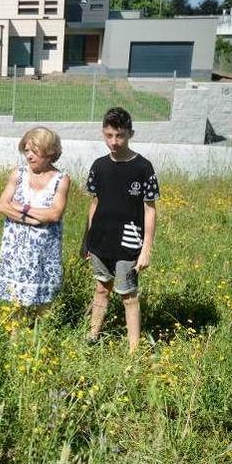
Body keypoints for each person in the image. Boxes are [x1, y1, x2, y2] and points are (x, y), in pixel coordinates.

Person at [85, 107, 160, 352]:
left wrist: (146, 249)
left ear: (130, 134)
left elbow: (150, 209)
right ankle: (92, 337)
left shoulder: (143, 168)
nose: (114, 142)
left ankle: (134, 351)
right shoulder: (98, 166)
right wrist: (86, 241)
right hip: (100, 241)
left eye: (119, 136)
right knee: (100, 288)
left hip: (129, 243)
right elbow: (94, 203)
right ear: (102, 134)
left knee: (129, 296)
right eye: (109, 135)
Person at [0, 127, 71, 310]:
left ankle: (38, 337)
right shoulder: (18, 174)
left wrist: (21, 207)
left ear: (49, 152)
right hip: (15, 251)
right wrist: (31, 218)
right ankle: (14, 339)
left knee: (42, 305)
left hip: (44, 252)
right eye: (26, 150)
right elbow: (3, 205)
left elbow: (54, 213)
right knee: (14, 305)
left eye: (34, 151)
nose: (29, 156)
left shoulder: (61, 179)